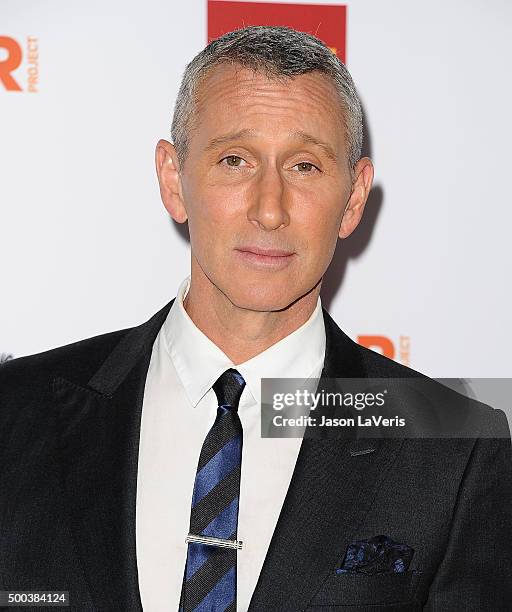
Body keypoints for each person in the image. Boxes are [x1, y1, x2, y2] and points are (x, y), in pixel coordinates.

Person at [0, 25, 511, 612]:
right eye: (235, 159)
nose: (270, 209)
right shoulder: (16, 411)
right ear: (173, 180)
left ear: (353, 199)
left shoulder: (455, 446)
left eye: (304, 167)